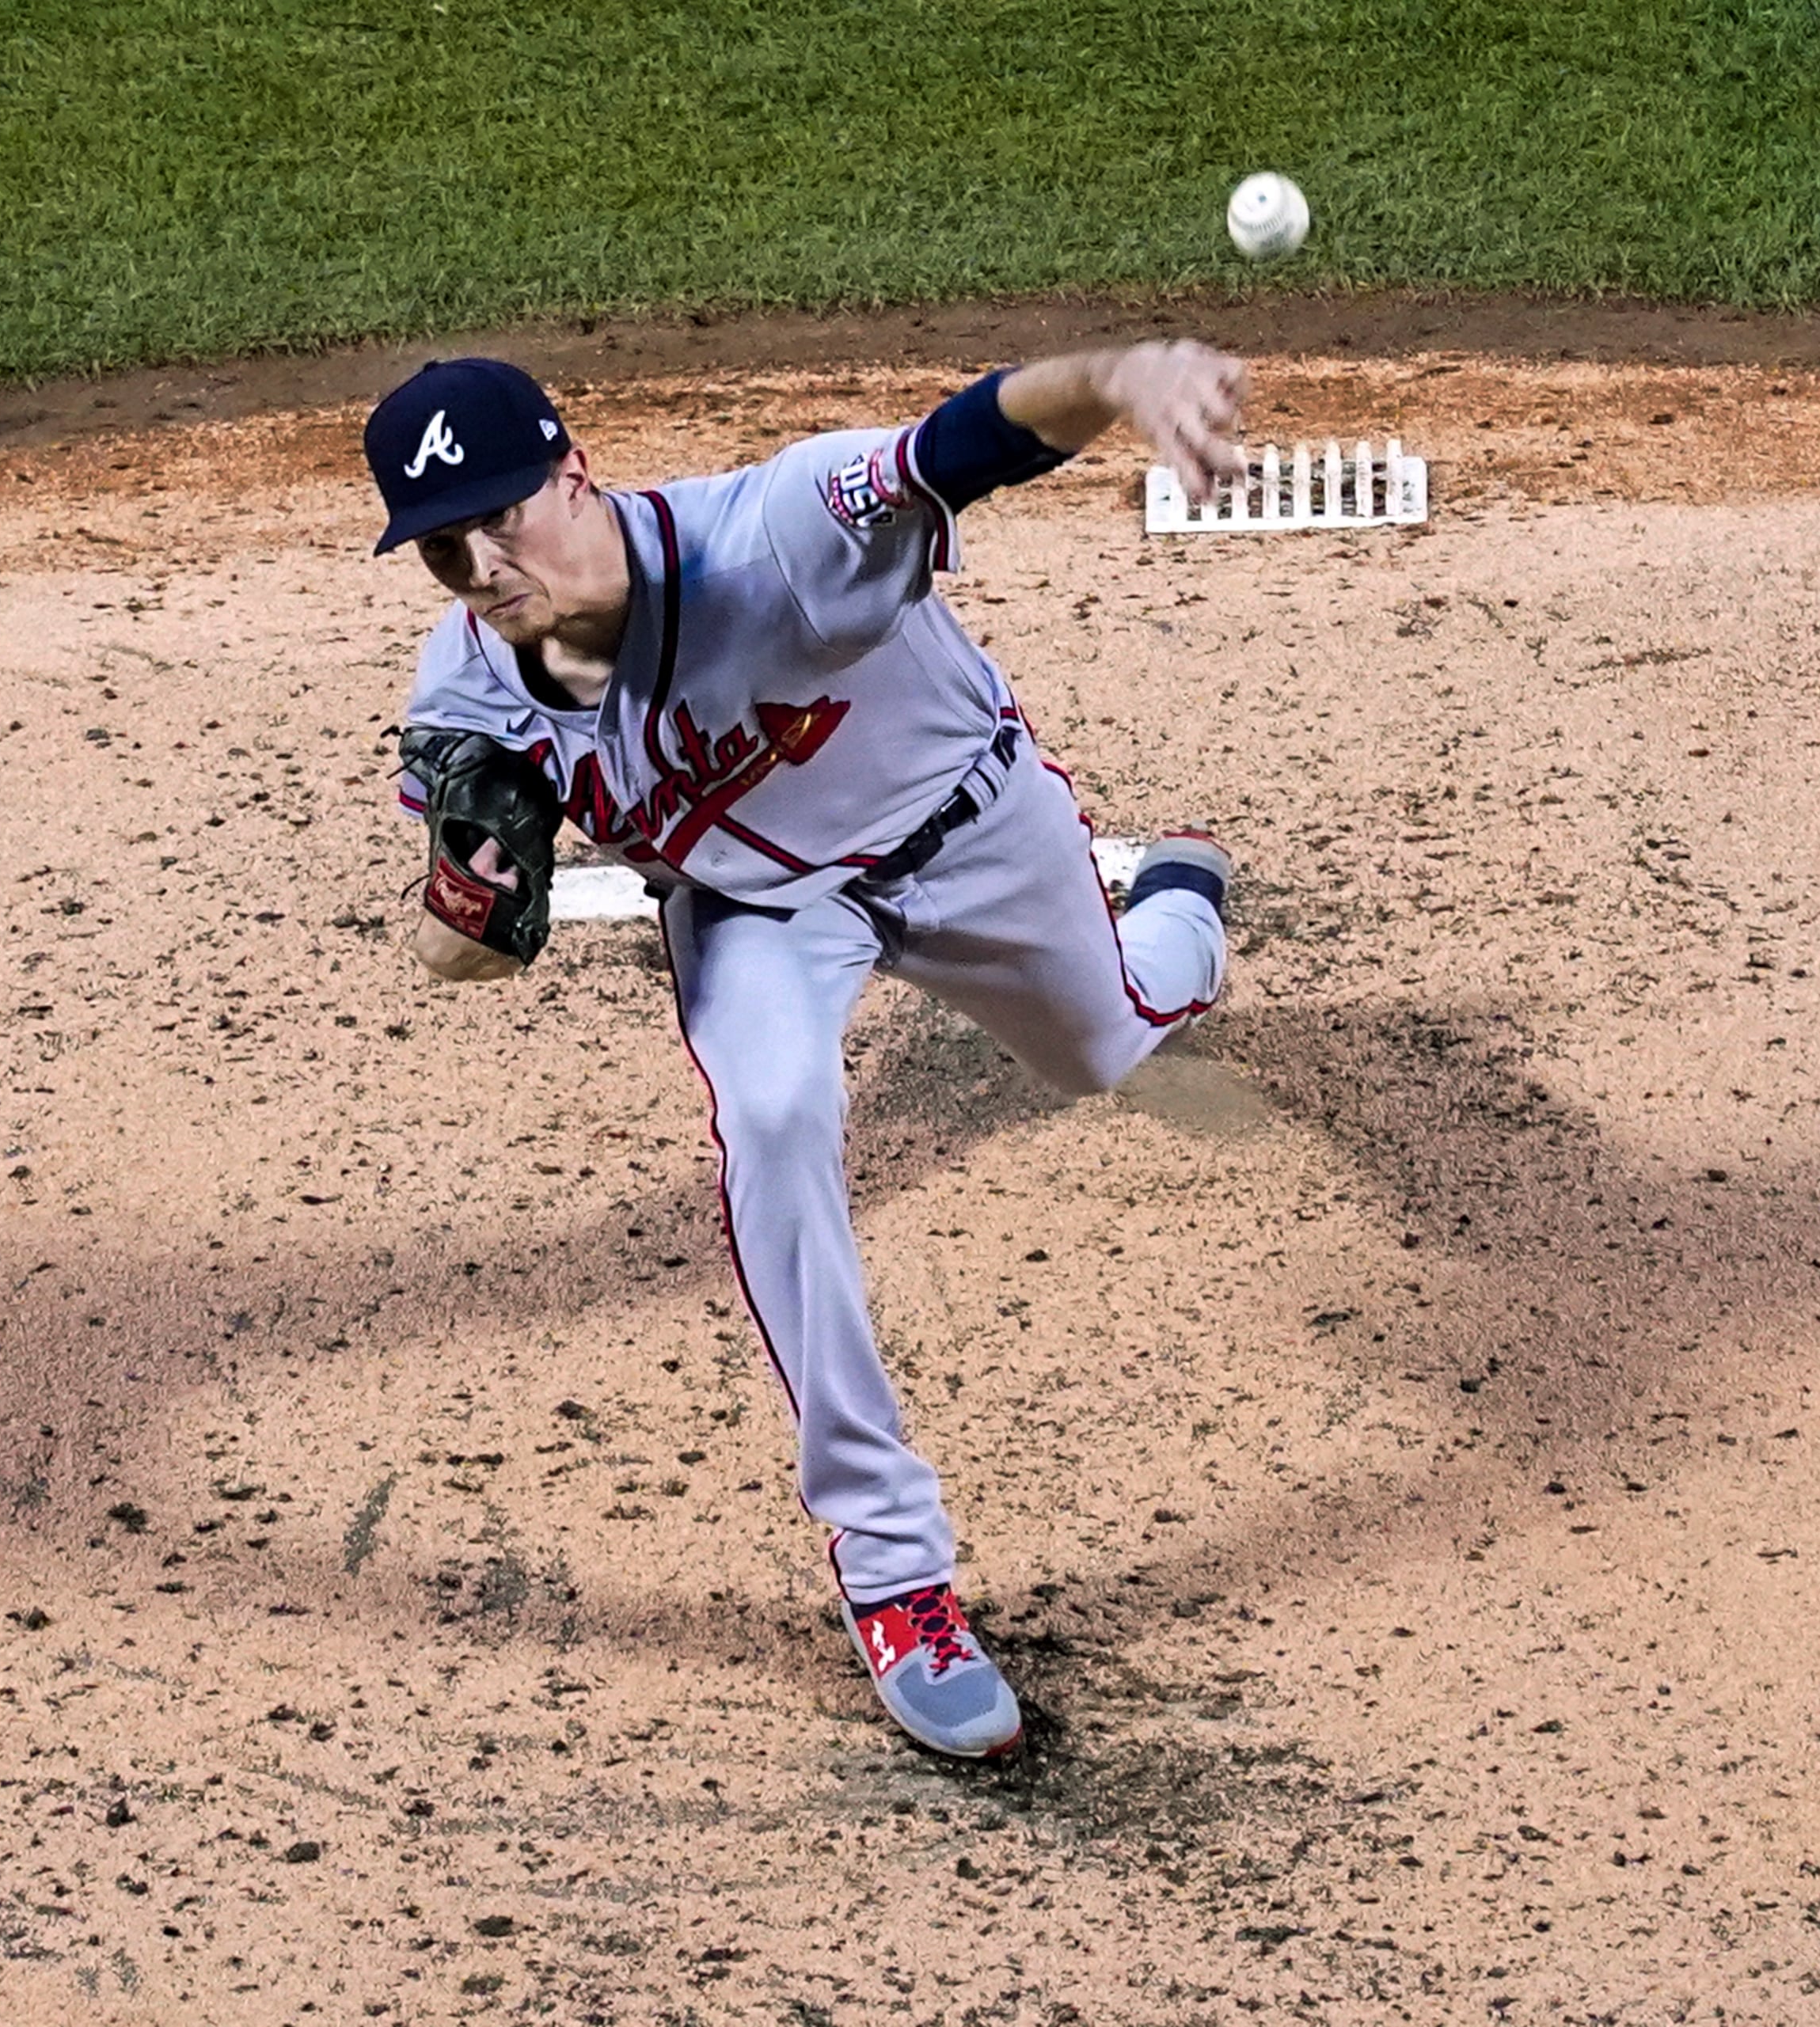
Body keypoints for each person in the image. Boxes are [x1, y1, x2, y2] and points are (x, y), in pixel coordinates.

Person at [362, 344, 1250, 1758]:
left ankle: (1180, 911)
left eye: (502, 514)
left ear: (574, 473)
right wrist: (470, 896)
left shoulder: (771, 536)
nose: (480, 562)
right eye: (441, 547)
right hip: (762, 908)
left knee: (1105, 1046)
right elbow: (459, 951)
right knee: (773, 1112)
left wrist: (1120, 378)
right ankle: (896, 1572)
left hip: (969, 834)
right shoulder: (469, 688)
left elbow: (961, 444)